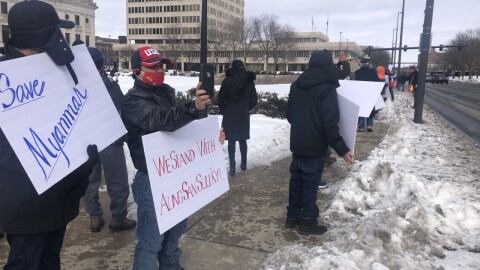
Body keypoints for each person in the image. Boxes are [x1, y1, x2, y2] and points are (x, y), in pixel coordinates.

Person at [0, 1, 98, 269]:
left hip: (59, 196)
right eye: (56, 30)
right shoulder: (5, 80)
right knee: (25, 263)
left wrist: (81, 157)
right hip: (26, 205)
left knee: (49, 260)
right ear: (44, 36)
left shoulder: (60, 70)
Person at [122, 46, 222, 270]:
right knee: (150, 244)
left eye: (161, 65)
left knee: (173, 237)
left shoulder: (165, 93)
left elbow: (177, 130)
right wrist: (193, 107)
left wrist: (209, 137)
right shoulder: (133, 102)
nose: (160, 70)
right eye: (153, 66)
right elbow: (164, 120)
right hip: (152, 181)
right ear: (137, 71)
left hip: (175, 177)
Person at [285, 50, 354, 235]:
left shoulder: (296, 85)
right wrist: (342, 148)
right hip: (315, 146)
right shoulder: (327, 88)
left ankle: (292, 217)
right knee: (309, 185)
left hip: (298, 144)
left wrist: (302, 127)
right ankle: (307, 221)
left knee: (296, 182)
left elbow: (289, 115)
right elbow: (330, 123)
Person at [82, 47, 137, 233]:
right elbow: (121, 111)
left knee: (90, 181)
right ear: (100, 67)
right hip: (109, 140)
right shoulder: (109, 86)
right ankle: (118, 219)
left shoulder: (74, 87)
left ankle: (95, 217)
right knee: (117, 181)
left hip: (86, 141)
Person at [218, 59, 258, 177]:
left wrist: (224, 110)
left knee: (231, 140)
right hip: (243, 114)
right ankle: (244, 164)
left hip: (230, 113)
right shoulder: (249, 82)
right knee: (242, 139)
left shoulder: (227, 81)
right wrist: (246, 108)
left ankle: (232, 167)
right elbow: (254, 99)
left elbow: (221, 98)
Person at [354, 57, 381, 132]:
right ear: (368, 64)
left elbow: (353, 83)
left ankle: (361, 126)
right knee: (370, 108)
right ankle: (369, 125)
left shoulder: (357, 72)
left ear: (361, 64)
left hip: (360, 94)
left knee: (361, 109)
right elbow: (378, 81)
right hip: (370, 94)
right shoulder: (373, 71)